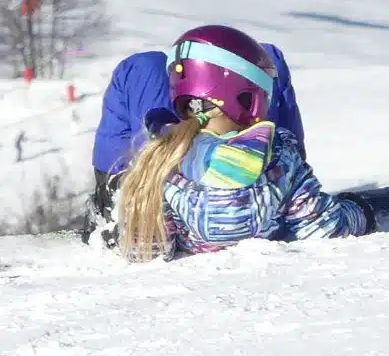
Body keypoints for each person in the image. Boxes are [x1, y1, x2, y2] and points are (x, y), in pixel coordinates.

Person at [114, 26, 369, 261]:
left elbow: (149, 248)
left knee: (139, 68)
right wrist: (360, 212)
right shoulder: (280, 155)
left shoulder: (164, 157)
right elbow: (323, 227)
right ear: (250, 98)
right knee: (271, 55)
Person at [85, 26, 306, 245]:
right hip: (271, 194)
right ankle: (295, 182)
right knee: (266, 59)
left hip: (161, 196)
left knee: (143, 67)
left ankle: (114, 196)